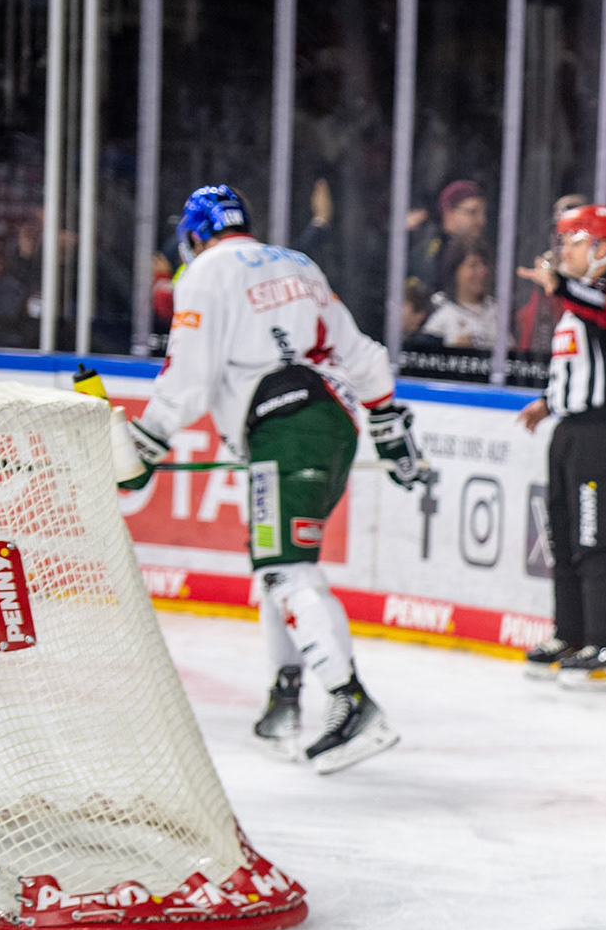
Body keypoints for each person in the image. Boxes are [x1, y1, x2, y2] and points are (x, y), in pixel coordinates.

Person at [113, 184, 424, 774]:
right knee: (277, 565)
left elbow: (189, 374)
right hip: (330, 420)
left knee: (284, 567)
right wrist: (386, 420)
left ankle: (349, 701)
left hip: (285, 428)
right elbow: (363, 355)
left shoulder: (204, 270)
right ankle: (284, 701)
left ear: (195, 236)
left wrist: (147, 443)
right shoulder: (298, 263)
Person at [514, 205, 606, 691]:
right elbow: (582, 365)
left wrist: (558, 285)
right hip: (570, 430)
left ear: (603, 249)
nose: (562, 250)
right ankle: (570, 635)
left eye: (573, 239)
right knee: (564, 538)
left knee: (596, 537)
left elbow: (603, 314)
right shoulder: (574, 304)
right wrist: (549, 402)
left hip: (603, 432)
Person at [419, 240, 497, 349]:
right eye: (473, 265)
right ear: (456, 271)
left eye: (484, 264)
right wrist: (454, 349)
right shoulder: (441, 318)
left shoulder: (497, 312)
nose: (482, 271)